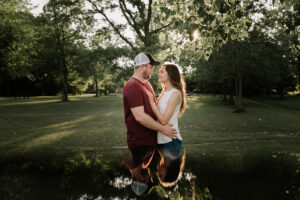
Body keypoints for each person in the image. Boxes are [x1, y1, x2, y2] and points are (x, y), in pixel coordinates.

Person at [122, 52, 177, 195]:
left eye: (148, 179)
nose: (153, 70)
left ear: (140, 179)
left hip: (147, 143)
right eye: (151, 67)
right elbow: (140, 117)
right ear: (142, 66)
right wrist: (163, 129)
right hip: (140, 144)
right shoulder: (132, 86)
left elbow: (153, 108)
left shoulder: (145, 84)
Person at [145, 63, 186, 187]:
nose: (158, 73)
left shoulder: (176, 94)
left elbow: (163, 120)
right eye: (161, 175)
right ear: (168, 172)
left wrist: (151, 102)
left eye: (162, 71)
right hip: (169, 140)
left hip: (169, 139)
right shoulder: (165, 92)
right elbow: (160, 118)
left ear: (170, 75)